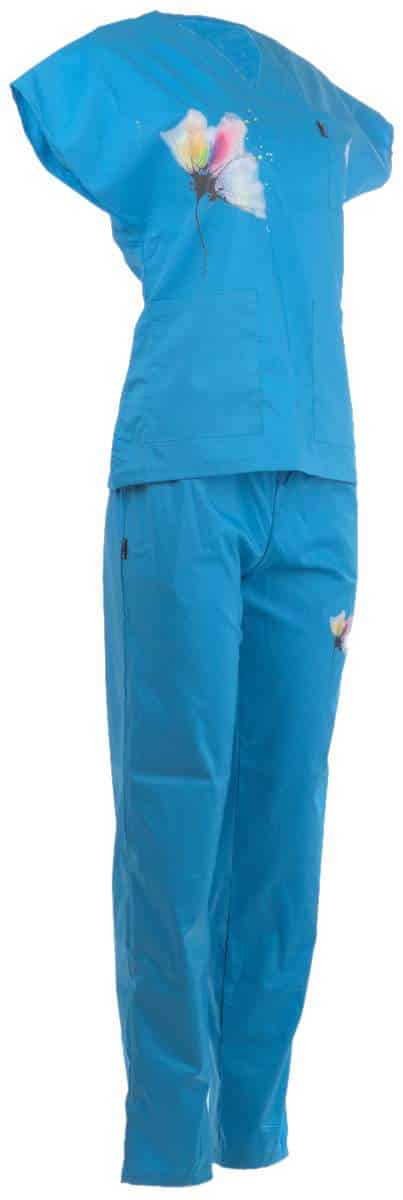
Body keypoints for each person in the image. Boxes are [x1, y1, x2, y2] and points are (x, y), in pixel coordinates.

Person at [11, 12, 393, 1186]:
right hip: (185, 470)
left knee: (287, 815)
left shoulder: (331, 103)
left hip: (318, 481)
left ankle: (253, 1128)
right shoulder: (113, 68)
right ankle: (172, 1142)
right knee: (176, 809)